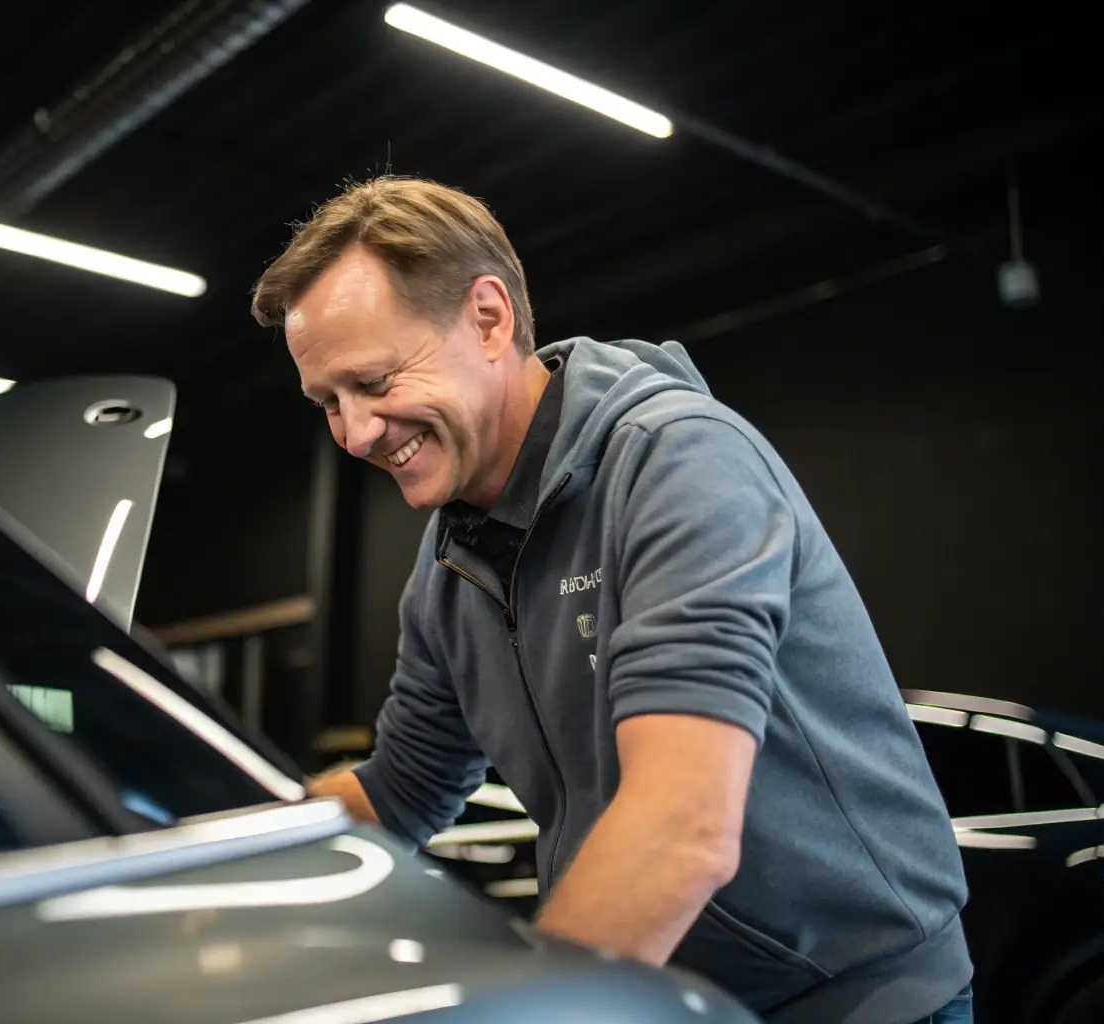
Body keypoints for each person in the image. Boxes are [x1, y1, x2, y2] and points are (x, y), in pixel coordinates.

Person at [251, 176, 973, 1023]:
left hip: (852, 997)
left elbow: (680, 826)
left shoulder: (676, 462)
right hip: (669, 996)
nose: (354, 434)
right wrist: (219, 850)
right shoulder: (451, 560)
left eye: (374, 381)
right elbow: (404, 785)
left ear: (488, 319)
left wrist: (537, 1007)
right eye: (327, 403)